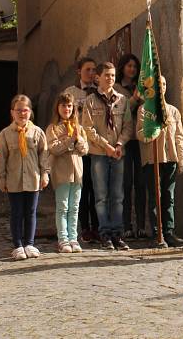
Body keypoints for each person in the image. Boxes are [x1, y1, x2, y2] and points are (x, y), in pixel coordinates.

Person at [82, 61, 130, 251]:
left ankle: (117, 233)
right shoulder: (90, 101)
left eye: (112, 75)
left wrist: (118, 144)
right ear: (98, 78)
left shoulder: (122, 100)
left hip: (118, 153)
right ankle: (104, 234)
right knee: (101, 196)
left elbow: (128, 126)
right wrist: (106, 146)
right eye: (107, 75)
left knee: (117, 196)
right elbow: (88, 129)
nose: (110, 78)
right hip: (100, 154)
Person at [0, 94, 50, 260]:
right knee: (17, 212)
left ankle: (30, 243)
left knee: (31, 212)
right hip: (14, 179)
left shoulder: (38, 132)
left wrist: (45, 173)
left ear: (30, 112)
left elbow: (44, 155)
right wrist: (0, 177)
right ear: (12, 112)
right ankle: (18, 244)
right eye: (18, 110)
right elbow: (0, 157)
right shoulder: (5, 134)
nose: (21, 114)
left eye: (25, 110)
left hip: (33, 178)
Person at [137, 76, 183, 248]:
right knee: (155, 197)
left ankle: (169, 232)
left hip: (170, 159)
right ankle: (156, 233)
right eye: (159, 84)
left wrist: (182, 161)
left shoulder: (173, 111)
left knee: (169, 197)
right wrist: (152, 129)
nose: (163, 87)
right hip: (153, 160)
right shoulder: (144, 110)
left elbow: (179, 137)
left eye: (165, 84)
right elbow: (139, 134)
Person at [46, 92, 89, 253]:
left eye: (69, 105)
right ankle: (63, 239)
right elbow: (54, 148)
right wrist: (69, 140)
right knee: (63, 206)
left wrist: (77, 140)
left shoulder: (78, 128)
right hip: (61, 172)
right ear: (57, 108)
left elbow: (85, 149)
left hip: (77, 172)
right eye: (63, 105)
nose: (67, 108)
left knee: (75, 206)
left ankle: (73, 238)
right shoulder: (53, 128)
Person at [64, 57, 99, 243]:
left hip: (97, 147)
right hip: (80, 148)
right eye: (88, 69)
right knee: (83, 189)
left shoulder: (100, 92)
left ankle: (98, 227)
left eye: (94, 70)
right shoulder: (70, 92)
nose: (91, 73)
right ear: (79, 71)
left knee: (98, 190)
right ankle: (85, 227)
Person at [115, 53, 147, 239]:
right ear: (122, 68)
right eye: (129, 66)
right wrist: (135, 98)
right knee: (126, 184)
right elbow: (124, 111)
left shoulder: (142, 86)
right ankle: (126, 225)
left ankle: (142, 225)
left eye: (135, 66)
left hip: (141, 140)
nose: (132, 69)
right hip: (126, 141)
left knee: (141, 183)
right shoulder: (118, 89)